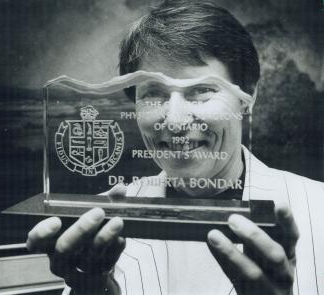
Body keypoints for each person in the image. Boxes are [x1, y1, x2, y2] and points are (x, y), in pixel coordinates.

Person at [26, 1, 324, 294]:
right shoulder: (95, 224)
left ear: (248, 97)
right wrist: (93, 291)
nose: (176, 121)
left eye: (202, 91)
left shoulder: (318, 209)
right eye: (154, 94)